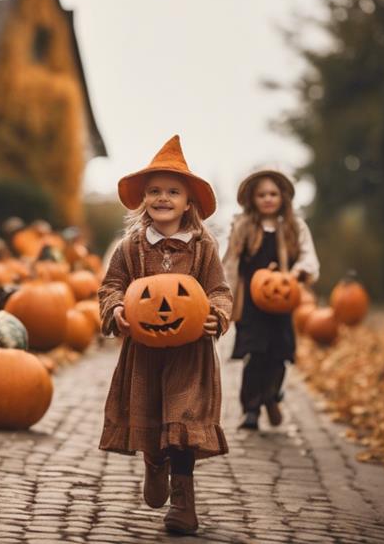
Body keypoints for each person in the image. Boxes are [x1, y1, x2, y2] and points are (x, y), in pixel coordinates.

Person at [98, 135, 232, 535]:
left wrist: (217, 316)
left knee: (184, 420)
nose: (162, 198)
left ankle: (183, 502)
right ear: (143, 200)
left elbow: (219, 291)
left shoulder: (204, 248)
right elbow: (111, 286)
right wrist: (116, 310)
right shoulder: (130, 247)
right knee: (152, 416)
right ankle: (154, 462)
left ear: (189, 202)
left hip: (190, 353)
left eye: (173, 191)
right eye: (154, 191)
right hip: (145, 352)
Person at [222, 169, 319, 430]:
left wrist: (299, 271)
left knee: (279, 354)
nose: (267, 199)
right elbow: (230, 262)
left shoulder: (293, 226)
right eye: (261, 194)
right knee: (255, 354)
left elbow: (308, 256)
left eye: (273, 194)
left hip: (282, 299)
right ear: (252, 199)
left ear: (283, 197)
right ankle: (251, 409)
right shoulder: (243, 226)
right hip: (251, 303)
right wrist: (224, 297)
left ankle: (272, 394)